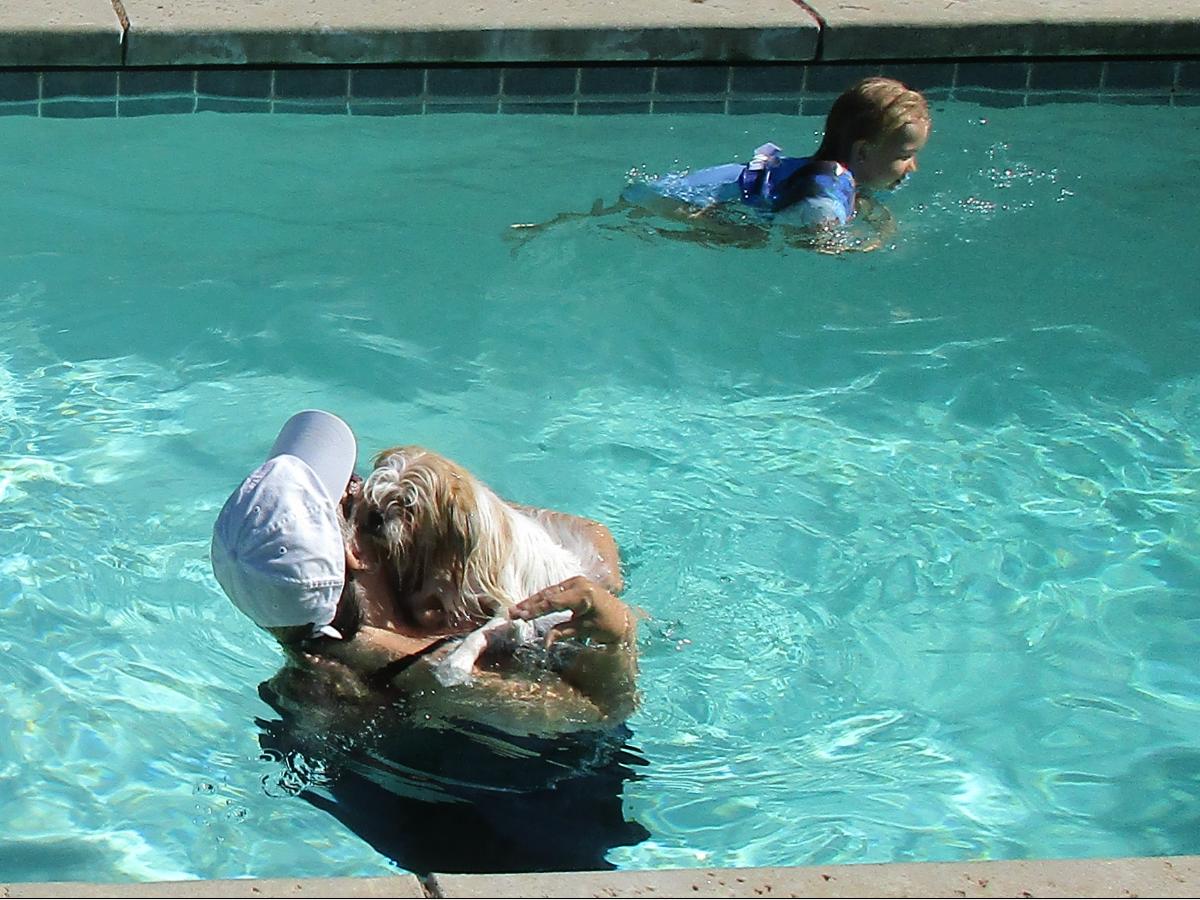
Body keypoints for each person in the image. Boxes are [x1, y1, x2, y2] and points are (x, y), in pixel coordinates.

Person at [210, 409, 639, 736]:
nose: (359, 483)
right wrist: (616, 629)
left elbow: (590, 533)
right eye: (349, 496)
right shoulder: (434, 670)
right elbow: (601, 711)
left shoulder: (306, 622)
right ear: (356, 552)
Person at [509, 76, 930, 252]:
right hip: (686, 199)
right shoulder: (824, 195)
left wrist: (878, 219)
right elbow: (813, 244)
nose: (911, 168)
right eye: (904, 156)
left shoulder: (829, 176)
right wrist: (864, 246)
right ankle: (556, 229)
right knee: (742, 238)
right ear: (862, 152)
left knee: (624, 217)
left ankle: (553, 226)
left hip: (704, 187)